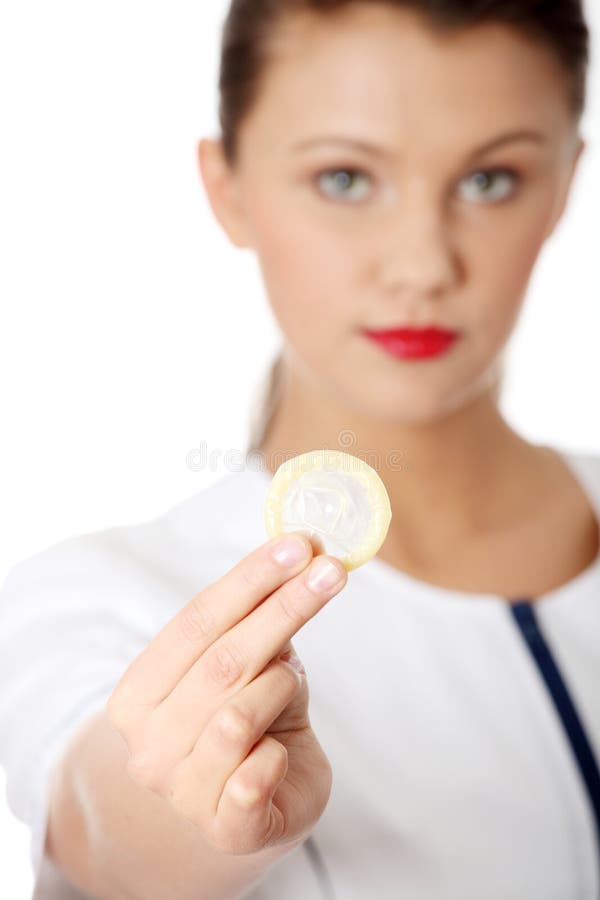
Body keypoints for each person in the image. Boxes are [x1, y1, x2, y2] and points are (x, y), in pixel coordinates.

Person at [1, 1, 598, 898]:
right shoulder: (101, 600)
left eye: (490, 180)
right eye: (346, 179)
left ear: (562, 185)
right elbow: (99, 822)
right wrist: (198, 812)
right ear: (227, 188)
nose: (423, 265)